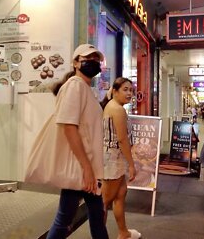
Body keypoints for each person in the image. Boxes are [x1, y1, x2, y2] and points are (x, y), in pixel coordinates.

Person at [46, 44, 109, 238]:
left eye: (97, 60)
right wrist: (87, 168)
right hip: (81, 168)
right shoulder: (75, 86)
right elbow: (69, 127)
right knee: (65, 218)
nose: (93, 63)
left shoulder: (85, 88)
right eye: (88, 58)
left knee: (96, 216)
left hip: (88, 166)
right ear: (75, 63)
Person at [99, 77, 141, 239]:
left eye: (131, 90)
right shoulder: (117, 109)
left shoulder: (114, 107)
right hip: (113, 158)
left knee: (120, 194)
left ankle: (123, 232)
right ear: (115, 91)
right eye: (125, 89)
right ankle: (99, 235)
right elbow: (122, 139)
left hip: (114, 156)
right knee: (105, 201)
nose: (129, 93)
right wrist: (131, 165)